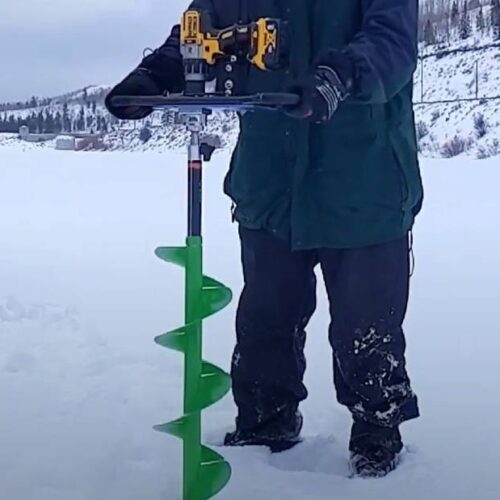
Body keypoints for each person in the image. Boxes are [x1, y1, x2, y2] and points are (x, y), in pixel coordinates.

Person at [106, 0, 423, 478]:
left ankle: (378, 432)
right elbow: (199, 35)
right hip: (271, 186)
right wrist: (155, 74)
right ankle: (263, 426)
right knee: (265, 321)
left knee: (366, 331)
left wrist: (340, 76)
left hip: (364, 183)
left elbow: (391, 45)